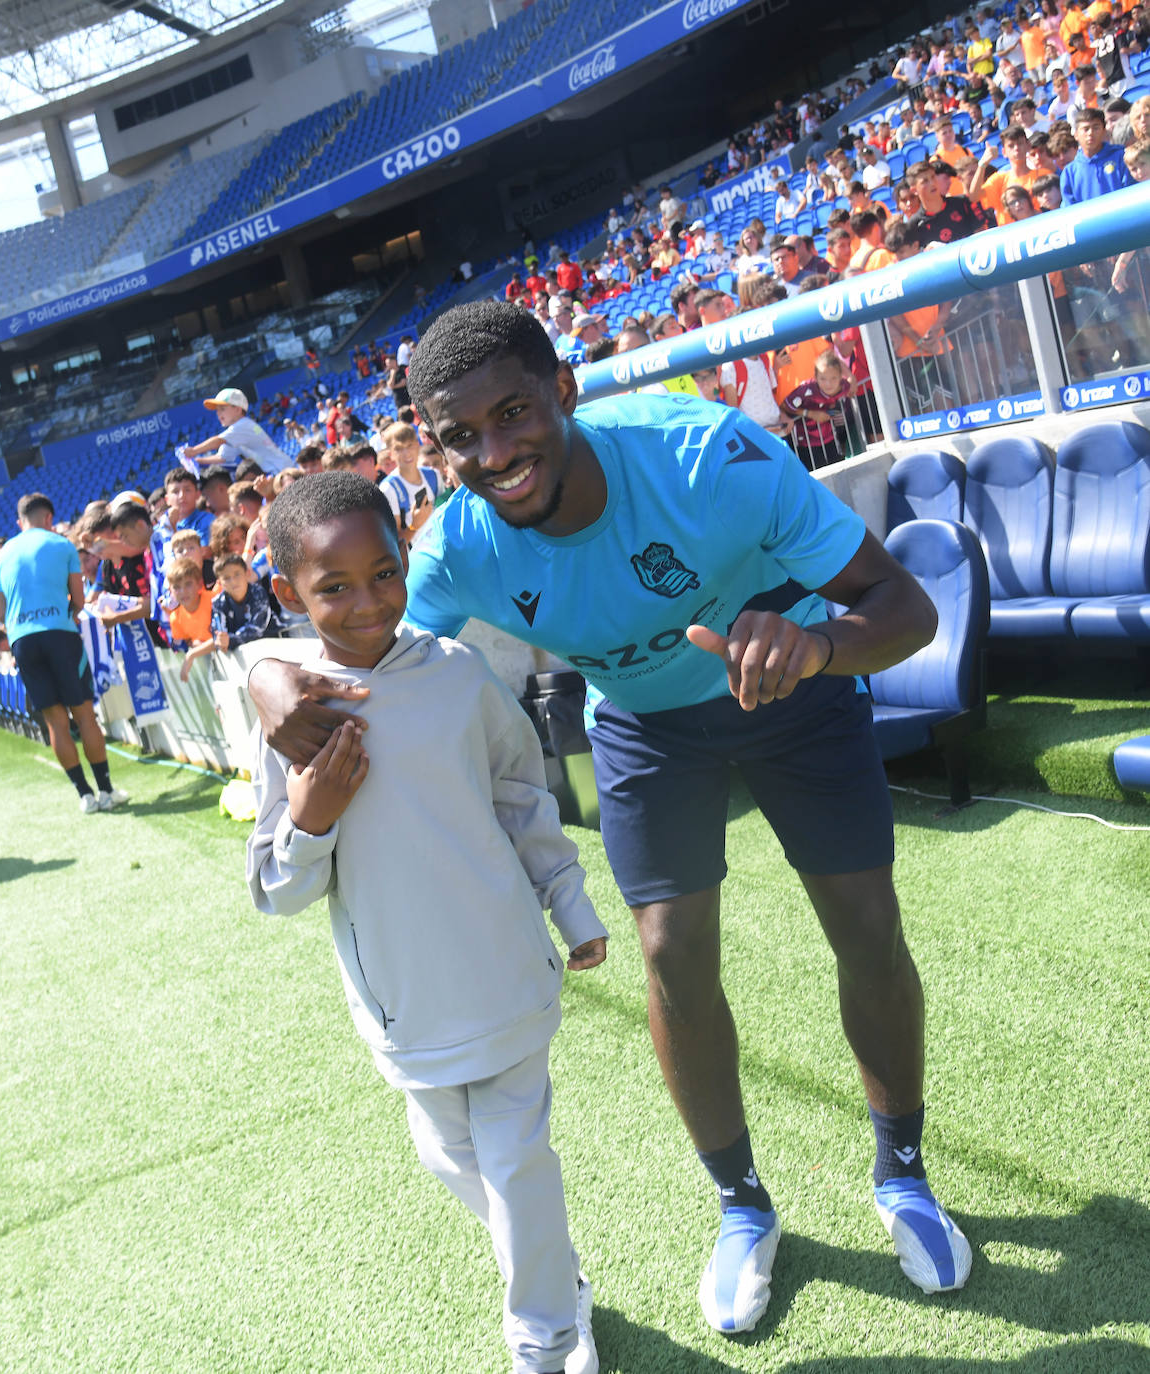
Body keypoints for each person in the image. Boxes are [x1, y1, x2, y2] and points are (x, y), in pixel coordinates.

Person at [248, 301, 971, 1337]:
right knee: (672, 953)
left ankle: (900, 1171)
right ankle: (740, 1205)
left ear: (564, 392)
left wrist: (813, 648)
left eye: (513, 413)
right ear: (434, 445)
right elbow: (365, 642)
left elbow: (903, 607)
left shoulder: (706, 455)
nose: (494, 454)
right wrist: (266, 675)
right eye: (461, 436)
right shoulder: (455, 546)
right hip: (642, 726)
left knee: (863, 926)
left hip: (795, 688)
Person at [248, 471, 606, 1374]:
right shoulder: (291, 714)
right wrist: (312, 817)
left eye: (385, 573)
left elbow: (521, 793)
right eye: (333, 587)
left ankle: (546, 1335)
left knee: (519, 1162)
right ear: (291, 593)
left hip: (505, 973)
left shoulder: (457, 674)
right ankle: (560, 1278)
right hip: (405, 1006)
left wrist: (569, 901)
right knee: (451, 1159)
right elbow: (276, 890)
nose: (367, 602)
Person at [0, 492, 126, 813]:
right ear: (49, 518)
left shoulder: (2, 555)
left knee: (55, 722)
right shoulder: (61, 544)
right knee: (84, 715)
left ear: (19, 521)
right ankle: (106, 791)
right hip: (60, 635)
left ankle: (85, 795)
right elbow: (79, 600)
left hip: (23, 641)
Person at [181, 389, 290, 475]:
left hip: (283, 470)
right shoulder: (237, 434)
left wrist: (194, 450)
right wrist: (196, 461)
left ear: (238, 409)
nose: (218, 414)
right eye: (217, 410)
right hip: (279, 470)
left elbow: (218, 441)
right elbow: (221, 458)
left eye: (222, 409)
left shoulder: (243, 425)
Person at [379, 421, 444, 547]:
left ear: (417, 445)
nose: (406, 453)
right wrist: (414, 526)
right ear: (391, 454)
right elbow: (393, 545)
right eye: (398, 448)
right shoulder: (388, 488)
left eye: (409, 445)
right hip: (415, 561)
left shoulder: (433, 475)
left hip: (444, 549)